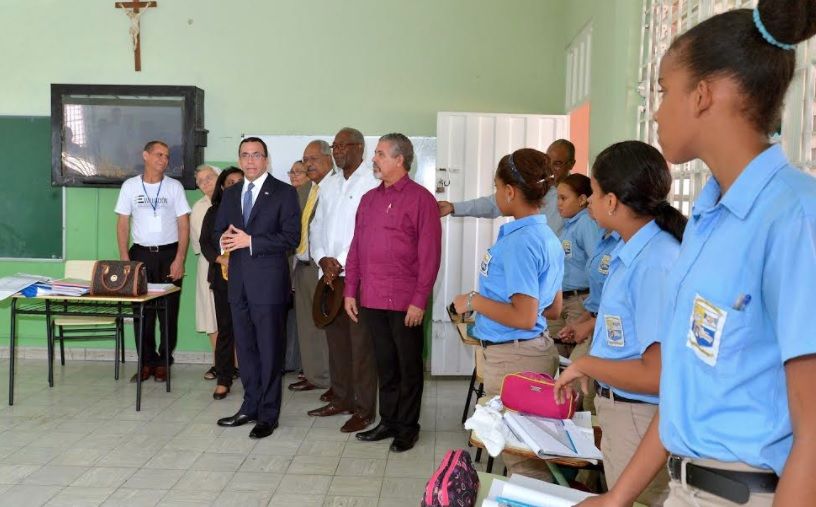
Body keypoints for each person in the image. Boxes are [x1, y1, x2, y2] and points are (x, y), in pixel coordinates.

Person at [578, 3, 816, 506]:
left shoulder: (794, 215)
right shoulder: (709, 220)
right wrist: (617, 498)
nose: (656, 111)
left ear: (703, 94)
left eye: (664, 91)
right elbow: (684, 392)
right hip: (687, 487)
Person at [553, 141, 686, 505]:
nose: (590, 203)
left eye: (594, 194)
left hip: (639, 419)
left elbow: (657, 375)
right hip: (625, 413)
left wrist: (587, 365)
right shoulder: (631, 251)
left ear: (612, 201)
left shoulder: (655, 262)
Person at [452, 148, 563, 480]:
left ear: (511, 191)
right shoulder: (547, 236)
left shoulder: (521, 242)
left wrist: (474, 301)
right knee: (527, 455)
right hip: (532, 351)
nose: (496, 194)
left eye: (497, 187)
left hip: (514, 359)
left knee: (523, 464)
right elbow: (553, 308)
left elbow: (524, 316)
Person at [345, 133, 442, 451]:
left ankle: (407, 427)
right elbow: (356, 248)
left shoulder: (421, 200)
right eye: (376, 153)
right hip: (372, 297)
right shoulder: (368, 200)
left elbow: (430, 256)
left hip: (405, 301)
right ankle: (388, 421)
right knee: (385, 364)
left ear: (400, 160)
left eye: (381, 154)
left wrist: (419, 300)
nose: (374, 159)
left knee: (408, 366)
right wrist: (350, 290)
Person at [215, 137, 300, 440]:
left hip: (268, 285)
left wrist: (250, 241)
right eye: (245, 155)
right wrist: (223, 240)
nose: (250, 161)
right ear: (239, 160)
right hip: (238, 284)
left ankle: (268, 414)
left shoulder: (284, 192)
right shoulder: (231, 193)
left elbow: (291, 238)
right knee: (246, 350)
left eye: (256, 155)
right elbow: (218, 230)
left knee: (269, 350)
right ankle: (249, 406)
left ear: (266, 160)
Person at [308, 128, 380, 433]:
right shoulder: (330, 184)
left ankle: (364, 409)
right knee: (336, 342)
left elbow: (369, 230)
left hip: (357, 277)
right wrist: (322, 258)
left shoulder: (372, 182)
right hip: (329, 276)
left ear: (360, 148)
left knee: (360, 346)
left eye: (342, 146)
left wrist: (340, 259)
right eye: (334, 146)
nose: (337, 151)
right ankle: (341, 398)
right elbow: (316, 227)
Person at [115, 140, 190, 383]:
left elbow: (184, 225)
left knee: (168, 313)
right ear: (145, 155)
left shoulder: (174, 187)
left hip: (169, 255)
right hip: (140, 255)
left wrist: (180, 258)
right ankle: (146, 362)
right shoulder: (130, 186)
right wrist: (125, 260)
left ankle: (164, 362)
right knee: (142, 312)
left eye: (167, 156)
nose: (164, 160)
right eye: (159, 154)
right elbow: (122, 224)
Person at [437, 139, 575, 234]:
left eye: (557, 164)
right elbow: (493, 203)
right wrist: (454, 207)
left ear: (571, 164)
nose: (551, 169)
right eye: (548, 162)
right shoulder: (535, 184)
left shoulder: (579, 195)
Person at [287, 140, 335, 394]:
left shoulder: (336, 187)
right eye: (305, 160)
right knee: (307, 326)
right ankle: (314, 374)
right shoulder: (308, 189)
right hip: (303, 266)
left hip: (326, 268)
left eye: (313, 159)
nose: (308, 164)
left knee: (327, 326)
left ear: (329, 158)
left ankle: (333, 379)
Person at [199, 166, 244, 400]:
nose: (236, 185)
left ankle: (253, 377)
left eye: (240, 181)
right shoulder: (214, 211)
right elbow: (205, 243)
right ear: (223, 188)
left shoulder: (255, 208)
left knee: (251, 330)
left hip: (251, 278)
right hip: (222, 278)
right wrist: (221, 259)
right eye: (230, 182)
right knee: (226, 330)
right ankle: (224, 379)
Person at [549, 174, 602, 356]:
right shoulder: (568, 226)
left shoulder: (586, 223)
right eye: (557, 198)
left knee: (575, 356)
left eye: (563, 198)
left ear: (581, 200)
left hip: (579, 301)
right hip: (561, 299)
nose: (559, 204)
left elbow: (596, 262)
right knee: (555, 354)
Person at [190, 164, 220, 380]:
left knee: (231, 316)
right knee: (210, 315)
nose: (205, 183)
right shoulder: (198, 207)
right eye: (200, 181)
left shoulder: (233, 200)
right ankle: (219, 363)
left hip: (232, 264)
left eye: (209, 177)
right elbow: (197, 244)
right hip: (207, 264)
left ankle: (238, 364)